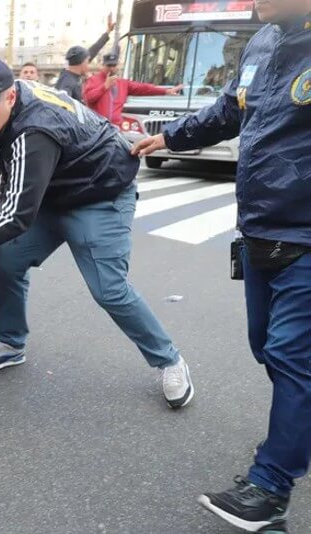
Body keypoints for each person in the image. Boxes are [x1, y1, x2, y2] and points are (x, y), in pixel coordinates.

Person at [133, 1, 311, 531]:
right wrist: (168, 137)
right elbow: (230, 113)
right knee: (268, 349)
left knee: (290, 357)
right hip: (259, 230)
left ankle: (270, 488)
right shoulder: (261, 43)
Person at [0, 57, 194, 409]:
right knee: (12, 257)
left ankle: (169, 360)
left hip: (101, 190)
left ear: (11, 97)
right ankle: (12, 342)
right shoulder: (2, 109)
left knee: (109, 288)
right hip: (55, 190)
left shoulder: (36, 130)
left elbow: (16, 215)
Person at [84, 52, 183, 126]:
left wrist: (166, 91)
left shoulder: (122, 83)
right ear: (103, 66)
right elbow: (88, 99)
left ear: (117, 66)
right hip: (96, 126)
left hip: (115, 128)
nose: (112, 68)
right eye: (109, 65)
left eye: (114, 65)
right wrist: (104, 86)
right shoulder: (93, 80)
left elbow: (143, 88)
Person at [54, 13, 116, 102]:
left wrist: (108, 31)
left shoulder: (72, 72)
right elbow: (63, 108)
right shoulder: (67, 83)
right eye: (87, 61)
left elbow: (94, 49)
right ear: (82, 62)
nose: (89, 65)